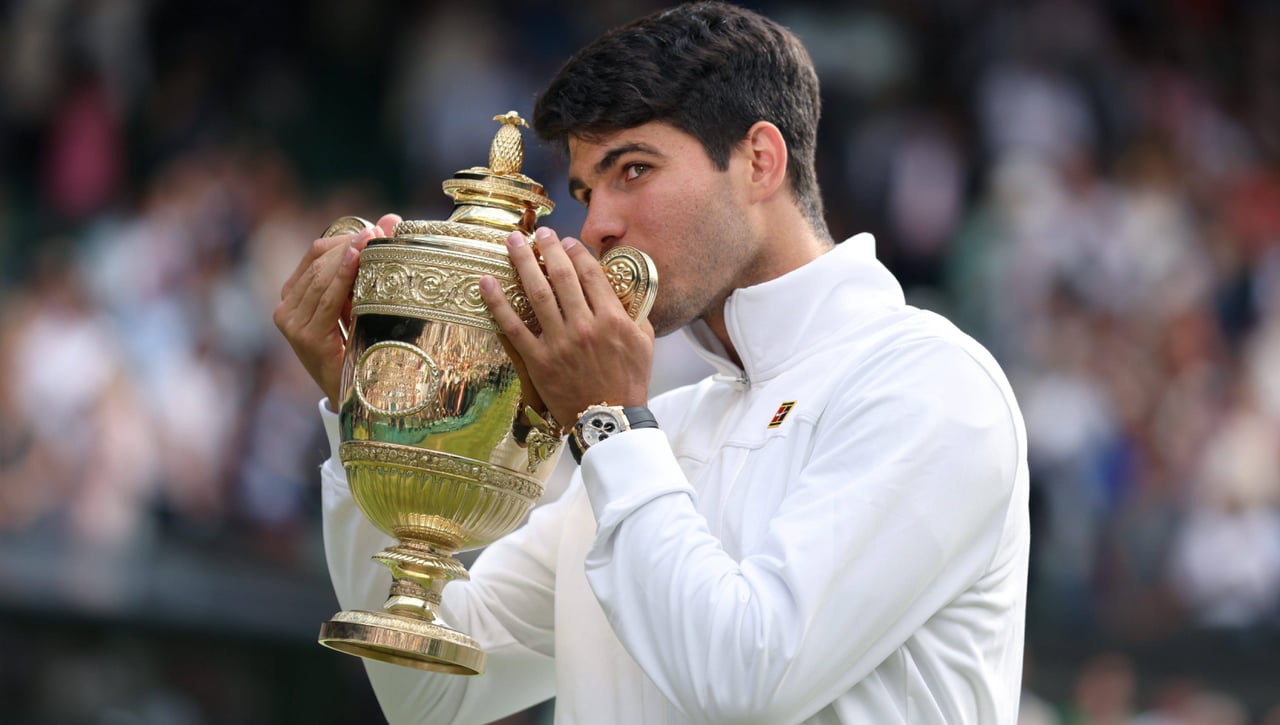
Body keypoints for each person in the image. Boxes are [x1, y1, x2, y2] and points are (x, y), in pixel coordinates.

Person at [274, 2, 1030, 723]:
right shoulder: (658, 425)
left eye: (633, 170)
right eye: (585, 190)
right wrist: (373, 411)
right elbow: (429, 692)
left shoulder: (930, 383)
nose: (597, 225)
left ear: (760, 161)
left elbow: (748, 681)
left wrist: (608, 422)